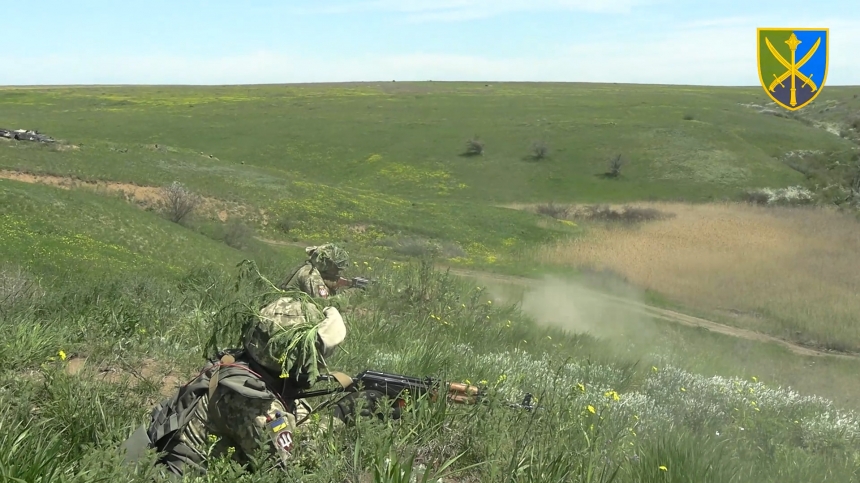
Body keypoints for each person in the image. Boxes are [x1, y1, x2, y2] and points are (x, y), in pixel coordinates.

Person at [120, 293, 377, 478]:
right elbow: (294, 467)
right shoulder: (254, 403)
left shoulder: (244, 365)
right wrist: (341, 415)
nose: (319, 361)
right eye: (315, 351)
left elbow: (293, 416)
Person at [279, 244, 361, 299]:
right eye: (335, 269)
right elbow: (325, 304)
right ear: (326, 265)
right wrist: (349, 293)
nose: (337, 272)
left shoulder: (309, 267)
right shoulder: (311, 275)